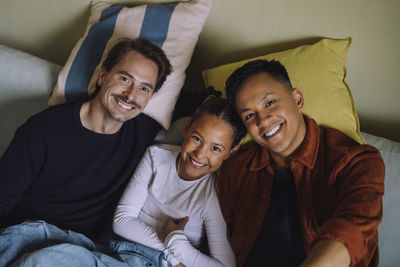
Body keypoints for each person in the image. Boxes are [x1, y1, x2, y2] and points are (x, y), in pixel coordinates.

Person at [0, 37, 172, 241]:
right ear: (102, 76)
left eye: (144, 88)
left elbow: (205, 114)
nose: (131, 95)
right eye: (125, 79)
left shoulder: (143, 131)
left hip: (80, 249)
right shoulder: (42, 130)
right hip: (26, 235)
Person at [217, 59, 385, 267]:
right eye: (250, 115)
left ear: (297, 99)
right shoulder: (235, 168)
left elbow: (352, 231)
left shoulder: (356, 160)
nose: (262, 120)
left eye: (269, 103)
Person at [113, 97, 246, 267]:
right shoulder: (155, 157)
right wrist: (172, 253)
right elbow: (121, 221)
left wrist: (176, 241)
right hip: (125, 252)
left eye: (215, 149)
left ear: (230, 153)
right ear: (186, 128)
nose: (199, 154)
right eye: (197, 139)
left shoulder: (213, 194)